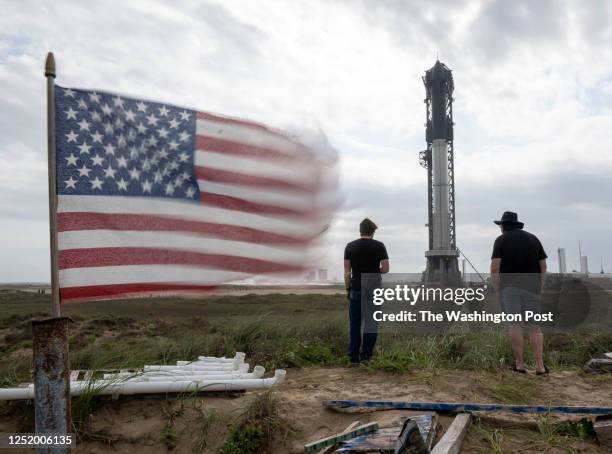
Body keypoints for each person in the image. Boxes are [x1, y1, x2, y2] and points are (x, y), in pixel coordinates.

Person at [490, 211, 548, 375]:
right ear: (516, 224)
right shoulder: (533, 239)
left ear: (503, 226)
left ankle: (520, 364)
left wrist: (497, 289)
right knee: (535, 327)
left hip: (510, 289)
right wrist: (540, 287)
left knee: (515, 325)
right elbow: (543, 266)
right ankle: (540, 366)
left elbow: (495, 268)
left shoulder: (501, 240)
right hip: (532, 288)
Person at [343, 218, 389, 365]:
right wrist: (375, 271)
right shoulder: (379, 246)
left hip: (356, 288)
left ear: (360, 230)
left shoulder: (350, 246)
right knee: (371, 324)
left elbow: (346, 272)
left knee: (355, 324)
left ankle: (353, 358)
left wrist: (347, 289)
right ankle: (366, 357)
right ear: (373, 231)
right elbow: (386, 268)